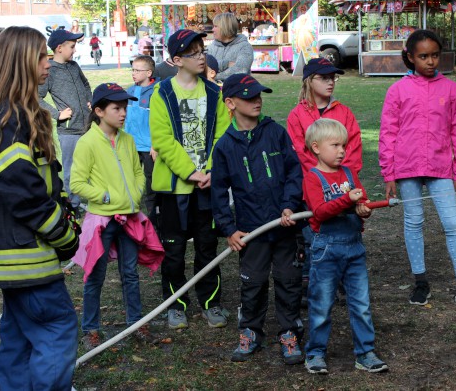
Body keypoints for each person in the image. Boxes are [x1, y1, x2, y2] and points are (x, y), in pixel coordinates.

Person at [0, 26, 80, 390]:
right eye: (42, 57)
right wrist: (65, 235)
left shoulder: (7, 118)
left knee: (19, 335)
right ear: (21, 64)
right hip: (24, 255)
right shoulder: (7, 124)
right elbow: (25, 195)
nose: (48, 64)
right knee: (56, 328)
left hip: (15, 255)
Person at [379, 29, 456, 309]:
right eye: (423, 56)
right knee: (414, 222)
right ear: (410, 57)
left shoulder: (452, 90)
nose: (430, 61)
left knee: (453, 223)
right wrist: (389, 173)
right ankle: (421, 282)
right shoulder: (397, 90)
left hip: (441, 168)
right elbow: (388, 133)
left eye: (434, 55)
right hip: (406, 168)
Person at [211, 73, 304, 364]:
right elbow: (217, 193)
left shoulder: (275, 132)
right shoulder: (225, 146)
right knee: (253, 283)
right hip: (251, 231)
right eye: (249, 97)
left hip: (284, 225)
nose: (257, 100)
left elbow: (293, 172)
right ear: (230, 103)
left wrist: (290, 206)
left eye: (258, 95)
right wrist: (229, 229)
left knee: (289, 281)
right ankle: (251, 330)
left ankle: (289, 333)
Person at [70, 82, 164, 350]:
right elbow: (77, 183)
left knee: (130, 273)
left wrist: (135, 194)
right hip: (102, 221)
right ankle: (91, 329)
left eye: (125, 108)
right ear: (99, 111)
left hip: (130, 219)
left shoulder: (128, 139)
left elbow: (137, 172)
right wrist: (108, 197)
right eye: (116, 108)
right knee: (94, 277)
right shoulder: (87, 142)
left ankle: (135, 323)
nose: (123, 113)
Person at [149, 29, 230, 330]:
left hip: (207, 185)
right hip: (174, 188)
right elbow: (163, 138)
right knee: (174, 249)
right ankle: (175, 304)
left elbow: (222, 133)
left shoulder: (214, 92)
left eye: (202, 49)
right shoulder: (162, 93)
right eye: (194, 53)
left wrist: (210, 171)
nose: (202, 56)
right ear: (176, 60)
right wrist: (190, 172)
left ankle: (211, 303)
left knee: (207, 246)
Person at [302, 118, 388, 375]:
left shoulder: (350, 174)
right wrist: (345, 200)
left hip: (354, 248)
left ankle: (365, 353)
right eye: (336, 145)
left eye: (344, 145)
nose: (342, 150)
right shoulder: (313, 177)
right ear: (316, 148)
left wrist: (364, 209)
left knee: (361, 304)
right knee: (322, 304)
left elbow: (362, 203)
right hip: (326, 250)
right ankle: (315, 353)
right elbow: (319, 212)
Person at [287, 57, 362, 304]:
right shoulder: (297, 115)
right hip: (313, 189)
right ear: (310, 81)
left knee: (345, 230)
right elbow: (301, 152)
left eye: (333, 78)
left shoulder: (344, 112)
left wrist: (344, 181)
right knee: (313, 236)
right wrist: (320, 179)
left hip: (343, 186)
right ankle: (312, 282)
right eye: (324, 77)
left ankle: (343, 277)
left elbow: (352, 151)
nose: (331, 82)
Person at [39, 29, 92, 208]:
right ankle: (73, 203)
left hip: (88, 127)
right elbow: (36, 98)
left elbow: (85, 84)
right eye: (72, 46)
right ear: (59, 48)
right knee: (71, 168)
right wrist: (57, 114)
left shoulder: (74, 66)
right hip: (69, 131)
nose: (74, 50)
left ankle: (94, 198)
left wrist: (89, 100)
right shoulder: (49, 71)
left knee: (92, 163)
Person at [125, 55, 160, 219]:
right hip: (131, 146)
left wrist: (155, 145)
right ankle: (130, 212)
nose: (133, 73)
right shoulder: (130, 91)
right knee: (129, 179)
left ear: (148, 73)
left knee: (151, 181)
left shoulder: (156, 91)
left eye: (137, 70)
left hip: (149, 147)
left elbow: (160, 121)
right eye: (132, 70)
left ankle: (154, 216)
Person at [207, 12, 254, 80]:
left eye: (215, 26)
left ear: (225, 27)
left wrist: (213, 76)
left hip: (235, 89)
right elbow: (204, 68)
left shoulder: (244, 47)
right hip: (212, 89)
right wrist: (226, 64)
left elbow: (240, 71)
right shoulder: (211, 47)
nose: (212, 29)